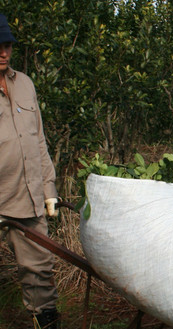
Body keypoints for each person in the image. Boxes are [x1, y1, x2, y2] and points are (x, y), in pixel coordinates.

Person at [0, 14, 61, 328]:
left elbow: (39, 139)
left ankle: (45, 321)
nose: (4, 52)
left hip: (28, 196)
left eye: (7, 44)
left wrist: (48, 188)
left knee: (40, 269)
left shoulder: (24, 83)